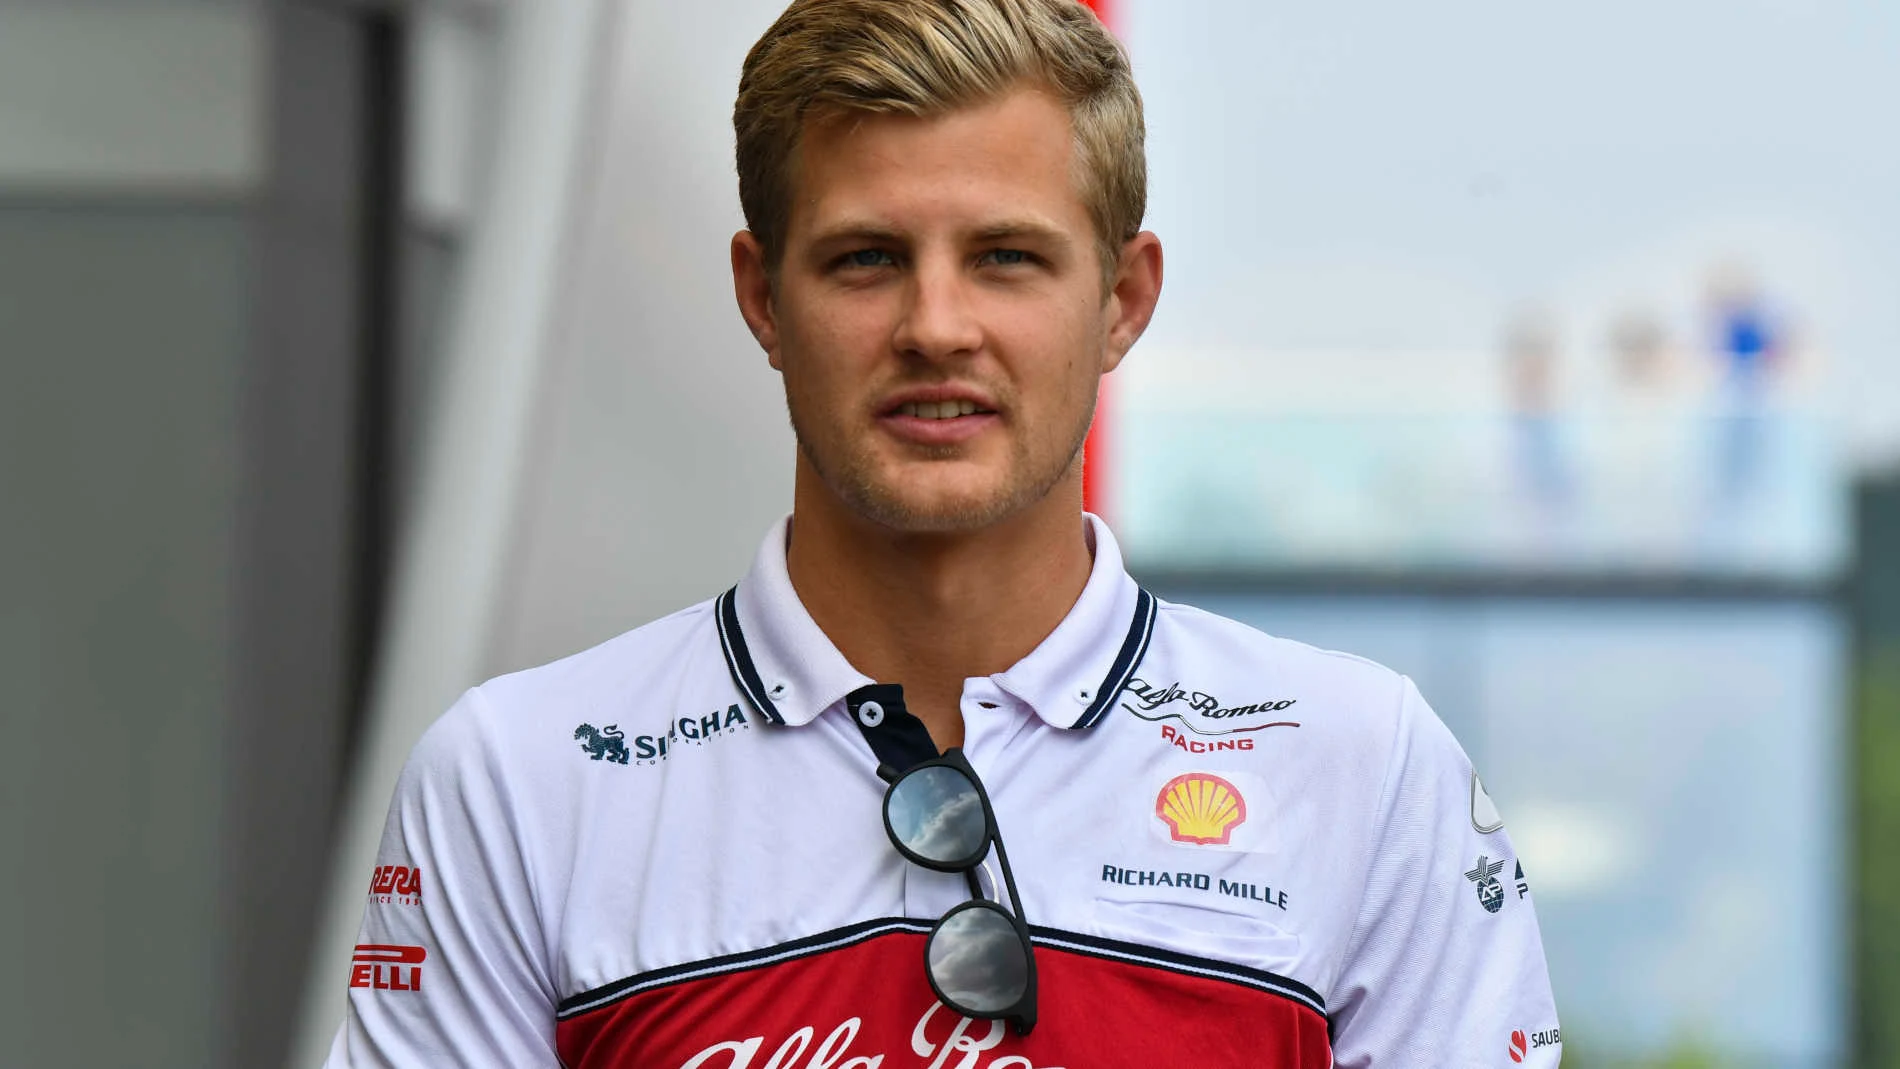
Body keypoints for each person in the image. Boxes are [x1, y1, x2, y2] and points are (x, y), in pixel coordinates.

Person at [325, 0, 1561, 1065]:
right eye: (865, 259)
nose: (936, 325)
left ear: (1121, 298)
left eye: (1006, 258)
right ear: (763, 296)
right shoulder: (519, 778)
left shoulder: (1362, 764)